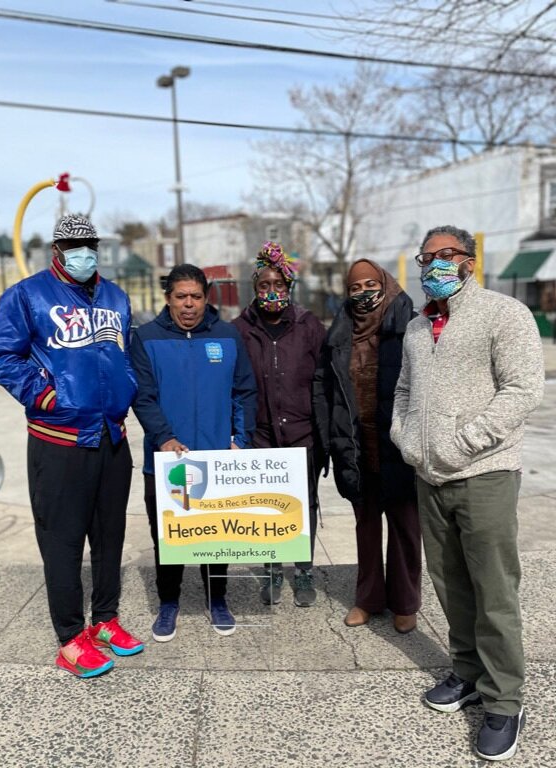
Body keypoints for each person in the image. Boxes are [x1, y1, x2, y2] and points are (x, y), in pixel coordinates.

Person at [390, 225, 545, 762]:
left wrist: (465, 442)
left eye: (444, 255)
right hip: (429, 476)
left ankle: (505, 700)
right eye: (426, 256)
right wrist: (406, 437)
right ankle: (467, 673)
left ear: (469, 261)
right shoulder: (416, 327)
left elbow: (524, 388)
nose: (434, 264)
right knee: (451, 584)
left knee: (494, 591)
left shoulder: (504, 314)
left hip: (484, 474)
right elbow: (404, 390)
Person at [0, 214, 143, 679]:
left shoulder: (115, 295)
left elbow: (124, 354)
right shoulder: (28, 295)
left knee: (109, 536)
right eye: (74, 245)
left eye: (89, 243)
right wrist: (46, 395)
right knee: (63, 541)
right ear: (57, 250)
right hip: (60, 440)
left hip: (112, 436)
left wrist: (125, 389)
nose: (83, 252)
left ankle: (106, 621)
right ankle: (71, 638)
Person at [131, 263, 256, 641]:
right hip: (169, 462)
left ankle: (217, 599)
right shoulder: (146, 338)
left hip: (217, 459)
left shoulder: (227, 335)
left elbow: (244, 391)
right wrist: (164, 436)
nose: (189, 305)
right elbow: (143, 396)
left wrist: (240, 437)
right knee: (168, 534)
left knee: (215, 534)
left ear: (207, 298)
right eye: (181, 297)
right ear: (168, 298)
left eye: (196, 297)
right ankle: (168, 603)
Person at [313, 259, 421, 633]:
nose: (363, 293)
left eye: (369, 284)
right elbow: (324, 389)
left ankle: (405, 602)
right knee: (366, 525)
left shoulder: (412, 326)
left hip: (399, 443)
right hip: (357, 444)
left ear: (386, 284)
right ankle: (369, 598)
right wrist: (330, 440)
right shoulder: (339, 333)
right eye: (354, 287)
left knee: (406, 526)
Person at [233, 241, 326, 607]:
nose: (272, 293)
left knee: (303, 504)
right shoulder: (239, 329)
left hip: (302, 434)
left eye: (279, 286)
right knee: (266, 506)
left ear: (290, 288)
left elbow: (322, 379)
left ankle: (303, 570)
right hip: (260, 436)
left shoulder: (309, 326)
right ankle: (272, 568)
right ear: (254, 289)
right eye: (264, 286)